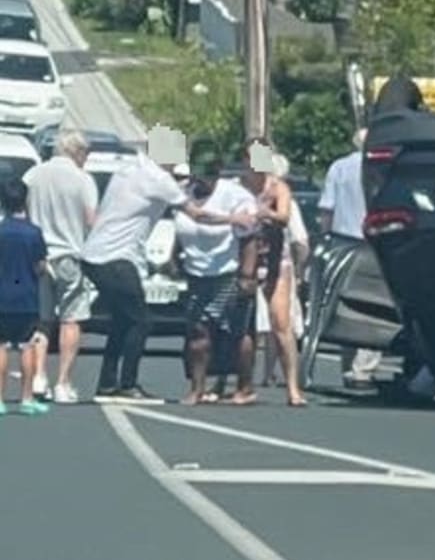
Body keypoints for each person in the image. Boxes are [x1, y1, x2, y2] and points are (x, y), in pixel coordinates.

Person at [80, 132, 254, 405]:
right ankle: (126, 385)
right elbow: (197, 214)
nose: (178, 165)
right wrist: (234, 218)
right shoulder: (158, 180)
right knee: (140, 321)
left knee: (122, 321)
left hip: (93, 255)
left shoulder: (128, 169)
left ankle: (108, 382)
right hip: (115, 258)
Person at [173, 146, 259, 405]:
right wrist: (173, 258)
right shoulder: (183, 195)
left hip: (228, 271)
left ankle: (244, 386)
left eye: (208, 175)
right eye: (198, 175)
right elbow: (183, 228)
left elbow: (249, 238)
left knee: (235, 331)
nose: (202, 181)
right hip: (196, 273)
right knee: (198, 331)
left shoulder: (236, 196)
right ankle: (197, 388)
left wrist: (247, 275)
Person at [23, 129, 97, 404]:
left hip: (41, 256)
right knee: (71, 318)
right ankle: (63, 382)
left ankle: (39, 375)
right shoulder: (83, 180)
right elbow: (91, 220)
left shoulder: (34, 175)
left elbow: (26, 210)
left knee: (42, 320)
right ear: (77, 152)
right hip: (70, 254)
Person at [314, 127, 382, 396]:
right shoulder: (379, 169)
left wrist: (325, 238)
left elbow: (326, 210)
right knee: (374, 305)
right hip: (373, 242)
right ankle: (363, 369)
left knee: (344, 304)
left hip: (342, 241)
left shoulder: (338, 168)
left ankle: (348, 365)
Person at [240, 138, 307, 406]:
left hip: (276, 259)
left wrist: (263, 210)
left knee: (281, 323)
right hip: (246, 258)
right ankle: (240, 383)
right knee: (242, 324)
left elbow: (284, 216)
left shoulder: (278, 187)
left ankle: (293, 387)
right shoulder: (238, 188)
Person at [0, 179, 50, 416]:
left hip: (2, 296)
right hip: (27, 297)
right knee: (27, 346)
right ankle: (26, 398)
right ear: (25, 201)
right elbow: (40, 266)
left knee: (1, 347)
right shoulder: (34, 232)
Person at [259, 153, 309, 387]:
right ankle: (265, 374)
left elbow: (297, 239)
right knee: (276, 324)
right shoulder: (246, 194)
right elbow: (301, 241)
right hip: (260, 264)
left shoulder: (284, 198)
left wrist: (297, 271)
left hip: (278, 264)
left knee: (278, 324)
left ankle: (281, 378)